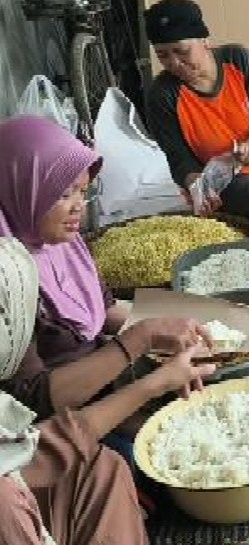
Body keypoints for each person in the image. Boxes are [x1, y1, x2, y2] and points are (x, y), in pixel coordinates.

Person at [0, 237, 215, 545]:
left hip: (64, 420)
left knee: (103, 468)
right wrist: (145, 362)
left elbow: (35, 446)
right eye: (63, 195)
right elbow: (36, 446)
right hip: (14, 494)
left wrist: (152, 351)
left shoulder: (57, 251)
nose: (77, 205)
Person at [0, 116, 214, 423]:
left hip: (105, 379)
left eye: (82, 192)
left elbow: (107, 308)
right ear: (19, 189)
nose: (79, 207)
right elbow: (29, 402)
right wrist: (140, 340)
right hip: (65, 423)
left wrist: (182, 328)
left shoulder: (62, 244)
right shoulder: (8, 278)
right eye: (63, 194)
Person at [144, 0, 249, 234]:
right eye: (163, 56)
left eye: (182, 51)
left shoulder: (238, 59)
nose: (174, 63)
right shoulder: (162, 94)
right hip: (232, 181)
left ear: (204, 41)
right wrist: (198, 187)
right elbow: (179, 158)